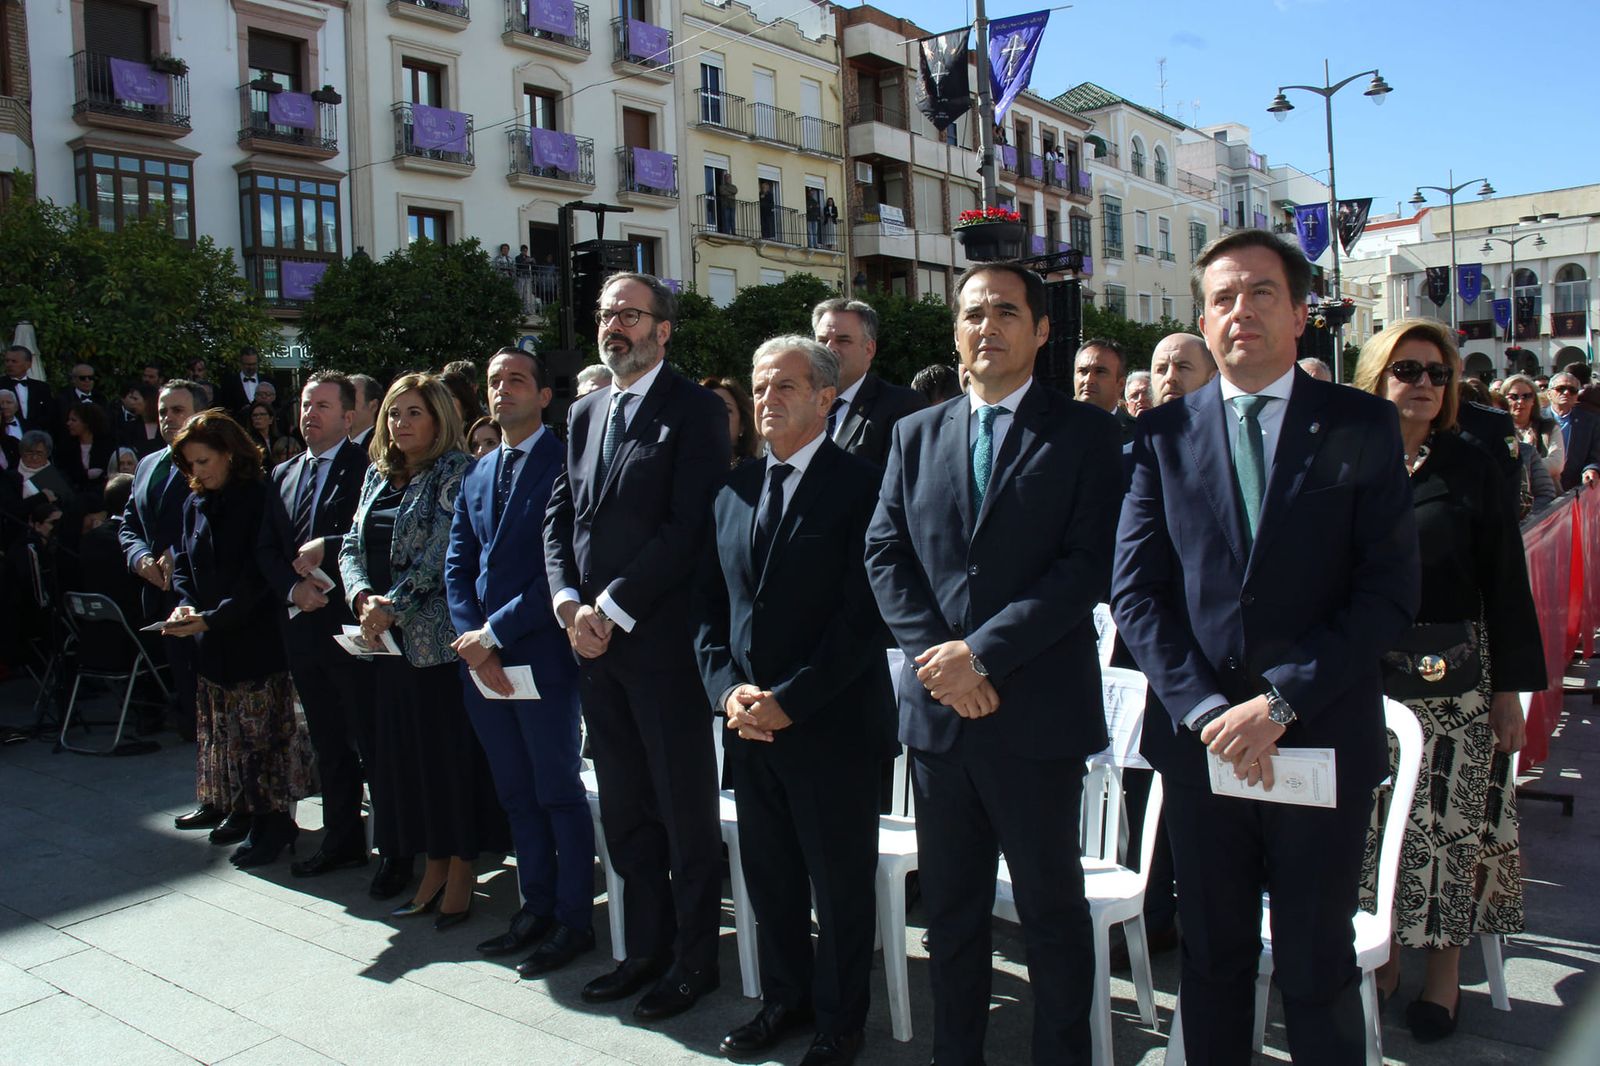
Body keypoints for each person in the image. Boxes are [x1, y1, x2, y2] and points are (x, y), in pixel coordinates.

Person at [1112, 230, 1420, 1064]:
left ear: (1299, 309)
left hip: (1317, 740)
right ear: (1203, 319)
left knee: (1317, 967)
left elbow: (1387, 591)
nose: (1239, 311)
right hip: (1204, 747)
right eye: (1221, 298)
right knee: (1212, 964)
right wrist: (1211, 710)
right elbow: (1138, 594)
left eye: (1260, 293)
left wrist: (1281, 699)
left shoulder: (1361, 423)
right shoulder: (1160, 434)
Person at [864, 262, 1123, 1065]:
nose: (988, 326)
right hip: (942, 722)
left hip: (1036, 716)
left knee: (1049, 914)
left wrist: (981, 652)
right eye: (973, 313)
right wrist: (937, 660)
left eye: (1007, 312)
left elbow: (1087, 565)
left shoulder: (1085, 434)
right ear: (955, 332)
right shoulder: (916, 433)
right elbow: (885, 551)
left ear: (1042, 332)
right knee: (951, 915)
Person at [697, 336, 896, 1066]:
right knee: (771, 881)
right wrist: (728, 694)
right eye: (758, 387)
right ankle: (785, 1000)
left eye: (785, 386)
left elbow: (865, 617)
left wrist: (793, 699)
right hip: (750, 729)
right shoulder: (732, 489)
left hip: (832, 727)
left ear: (825, 398)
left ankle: (841, 1025)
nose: (766, 400)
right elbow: (708, 613)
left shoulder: (863, 486)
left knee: (840, 893)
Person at [1351, 319, 1546, 1042]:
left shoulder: (1472, 465)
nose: (1425, 385)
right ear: (1377, 377)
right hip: (1365, 683)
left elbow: (1507, 582)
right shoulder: (1347, 461)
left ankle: (1443, 981)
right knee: (1378, 835)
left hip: (1458, 686)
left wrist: (1510, 694)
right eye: (1408, 370)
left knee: (1452, 835)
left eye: (1438, 373)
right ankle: (1387, 958)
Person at [543, 272, 729, 1018]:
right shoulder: (585, 411)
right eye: (605, 314)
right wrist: (566, 603)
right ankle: (642, 951)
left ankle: (693, 964)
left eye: (629, 314)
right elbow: (561, 516)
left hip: (662, 649)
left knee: (682, 814)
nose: (614, 325)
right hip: (593, 650)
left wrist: (611, 608)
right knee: (623, 810)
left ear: (664, 329)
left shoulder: (693, 412)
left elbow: (688, 529)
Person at [447, 348, 596, 976]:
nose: (503, 391)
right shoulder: (478, 471)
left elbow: (560, 569)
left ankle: (573, 919)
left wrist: (494, 632)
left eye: (517, 381)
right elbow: (457, 560)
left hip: (539, 654)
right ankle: (534, 906)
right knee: (515, 793)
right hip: (481, 663)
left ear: (543, 396)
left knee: (557, 790)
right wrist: (469, 639)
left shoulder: (567, 461)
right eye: (494, 383)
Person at [340, 373, 501, 929]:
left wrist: (393, 605)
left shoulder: (455, 471)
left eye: (413, 413)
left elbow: (444, 553)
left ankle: (460, 865)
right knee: (405, 760)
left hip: (433, 645)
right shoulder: (377, 474)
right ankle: (431, 861)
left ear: (438, 419)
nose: (399, 424)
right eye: (392, 413)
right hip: (383, 645)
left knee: (446, 761)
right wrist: (362, 596)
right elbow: (348, 545)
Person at [256, 374, 405, 895]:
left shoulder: (370, 467)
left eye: (322, 405)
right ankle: (342, 839)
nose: (310, 414)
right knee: (327, 742)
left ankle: (395, 850)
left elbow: (376, 535)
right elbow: (267, 549)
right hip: (303, 629)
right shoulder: (283, 474)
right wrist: (291, 591)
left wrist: (334, 565)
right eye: (304, 404)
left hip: (351, 627)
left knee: (372, 740)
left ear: (349, 417)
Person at [163, 411, 316, 869]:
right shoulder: (195, 501)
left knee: (262, 738)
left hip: (255, 638)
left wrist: (214, 617)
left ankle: (274, 823)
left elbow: (259, 576)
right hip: (211, 639)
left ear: (230, 454)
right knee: (227, 735)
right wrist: (186, 606)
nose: (198, 472)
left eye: (204, 461)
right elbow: (187, 561)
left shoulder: (256, 497)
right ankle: (239, 809)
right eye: (190, 464)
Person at [122, 381, 205, 757]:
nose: (168, 418)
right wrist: (139, 557)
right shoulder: (146, 465)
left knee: (196, 682)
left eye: (177, 410)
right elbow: (128, 524)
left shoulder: (213, 465)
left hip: (195, 592)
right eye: (162, 411)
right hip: (152, 588)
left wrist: (177, 552)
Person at [810, 298, 921, 466]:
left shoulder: (903, 406)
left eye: (843, 340)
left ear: (869, 349)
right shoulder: (801, 404)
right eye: (822, 341)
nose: (829, 348)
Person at [1547, 370, 1600, 491]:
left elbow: (1596, 455)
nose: (1566, 393)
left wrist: (1592, 469)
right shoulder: (1538, 419)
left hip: (1575, 490)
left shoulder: (1590, 421)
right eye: (1560, 388)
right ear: (1549, 393)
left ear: (1577, 395)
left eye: (1572, 390)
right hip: (1543, 489)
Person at [1073, 338, 1135, 442]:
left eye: (1100, 372)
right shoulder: (1052, 429)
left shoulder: (1140, 435)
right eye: (1083, 371)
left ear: (1120, 384)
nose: (1089, 380)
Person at [56, 402, 114, 498]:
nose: (68, 423)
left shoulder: (107, 446)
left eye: (73, 420)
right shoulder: (65, 446)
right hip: (75, 496)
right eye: (68, 419)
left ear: (87, 423)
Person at [703, 376, 762, 466]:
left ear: (742, 425)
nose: (715, 416)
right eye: (706, 409)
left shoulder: (759, 474)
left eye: (726, 410)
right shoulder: (679, 470)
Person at [1149, 333, 1214, 405]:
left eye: (1183, 367)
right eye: (1161, 369)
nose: (1170, 377)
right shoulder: (1145, 416)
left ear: (1213, 377)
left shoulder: (1226, 415)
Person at [3, 345, 56, 433]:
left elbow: (50, 415)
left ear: (28, 364)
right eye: (7, 361)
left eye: (14, 361)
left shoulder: (42, 387)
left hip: (37, 437)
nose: (9, 364)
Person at [215, 347, 264, 414]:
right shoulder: (228, 382)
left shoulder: (266, 380)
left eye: (254, 364)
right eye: (248, 364)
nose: (251, 367)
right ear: (240, 363)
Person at [120, 383, 164, 458]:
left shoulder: (164, 426)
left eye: (135, 399)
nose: (132, 402)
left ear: (148, 401)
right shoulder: (130, 427)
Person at [349, 374, 382, 448]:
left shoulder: (382, 447)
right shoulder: (331, 445)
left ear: (373, 406)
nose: (343, 407)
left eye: (351, 401)